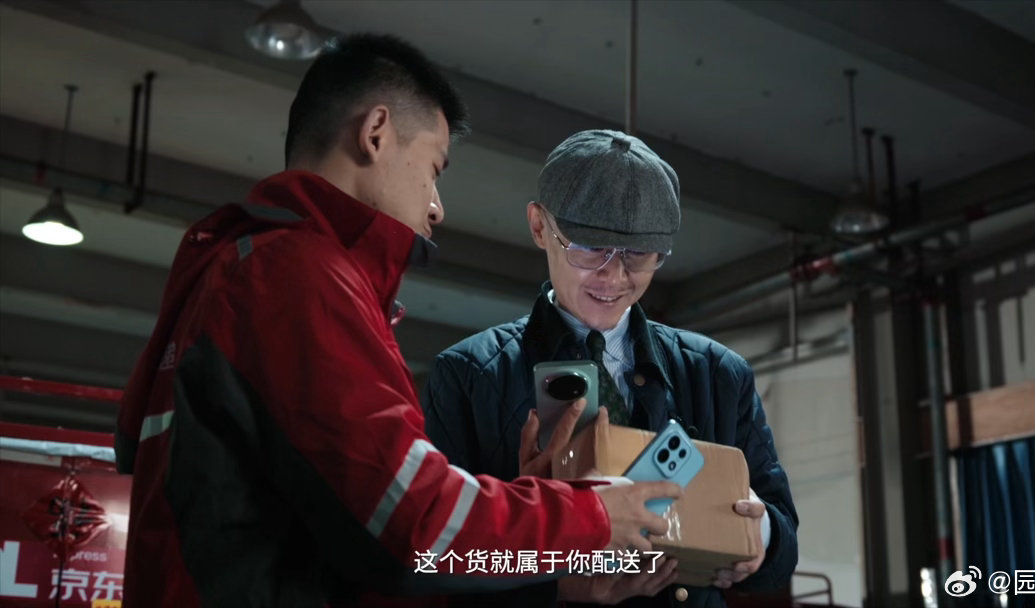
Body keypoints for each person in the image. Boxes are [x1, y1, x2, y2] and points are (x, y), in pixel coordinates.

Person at [114, 35, 682, 607]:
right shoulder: (295, 276)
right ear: (376, 133)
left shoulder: (235, 269)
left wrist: (552, 574)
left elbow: (360, 542)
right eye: (434, 169)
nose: (437, 206)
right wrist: (591, 517)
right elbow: (414, 525)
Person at [423, 130, 799, 607]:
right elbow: (433, 556)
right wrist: (556, 581)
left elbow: (784, 549)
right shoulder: (471, 376)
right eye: (589, 248)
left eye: (638, 254)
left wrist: (759, 536)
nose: (614, 276)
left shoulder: (718, 374)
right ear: (539, 226)